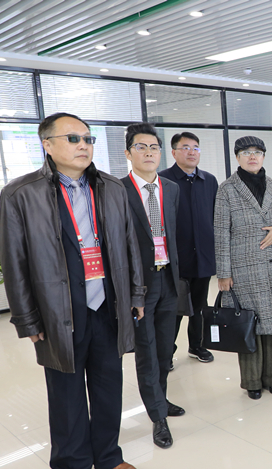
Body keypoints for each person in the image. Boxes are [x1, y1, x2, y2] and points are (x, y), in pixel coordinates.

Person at [0, 112, 145, 469]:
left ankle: (108, 456)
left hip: (107, 305)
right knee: (66, 394)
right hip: (57, 311)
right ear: (47, 144)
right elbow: (14, 261)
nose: (84, 145)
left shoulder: (111, 188)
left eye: (88, 138)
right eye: (73, 138)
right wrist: (27, 318)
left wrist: (136, 294)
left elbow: (130, 245)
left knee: (108, 386)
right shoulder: (21, 194)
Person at [121, 123, 182, 449]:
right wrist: (130, 291)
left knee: (165, 349)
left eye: (153, 147)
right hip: (139, 285)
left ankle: (161, 398)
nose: (148, 153)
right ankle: (158, 417)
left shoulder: (171, 188)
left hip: (168, 278)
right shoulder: (117, 191)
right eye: (141, 147)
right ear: (128, 153)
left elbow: (173, 234)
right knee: (146, 351)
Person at [215, 136, 272, 400]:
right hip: (242, 268)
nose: (253, 156)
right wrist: (223, 273)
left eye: (257, 152)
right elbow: (221, 233)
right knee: (248, 324)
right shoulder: (227, 189)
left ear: (264, 156)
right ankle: (252, 381)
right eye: (246, 152)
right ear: (237, 157)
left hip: (270, 265)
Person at [160, 132, 219, 364]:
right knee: (174, 309)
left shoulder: (209, 180)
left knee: (200, 306)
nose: (192, 152)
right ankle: (167, 352)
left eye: (196, 148)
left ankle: (197, 345)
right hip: (175, 259)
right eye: (186, 147)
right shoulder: (163, 180)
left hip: (203, 257)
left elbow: (215, 218)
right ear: (174, 152)